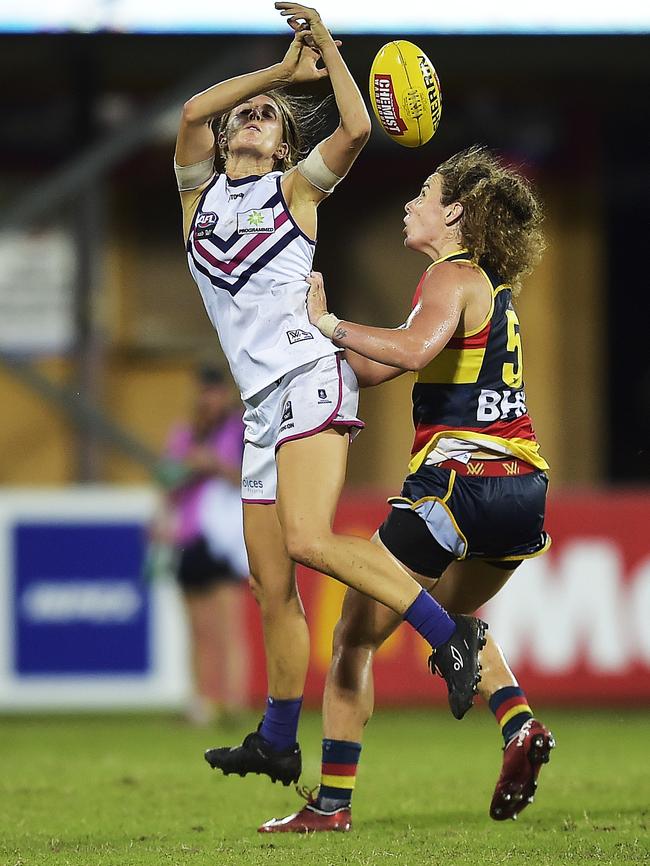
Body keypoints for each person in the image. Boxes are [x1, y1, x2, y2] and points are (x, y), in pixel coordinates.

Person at [175, 2, 486, 791]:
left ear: (284, 143)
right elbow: (188, 112)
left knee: (309, 542)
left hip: (310, 375)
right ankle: (278, 740)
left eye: (268, 116)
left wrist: (322, 47)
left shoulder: (296, 193)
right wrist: (279, 73)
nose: (249, 118)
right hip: (257, 408)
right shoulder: (197, 200)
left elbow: (353, 126)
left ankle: (450, 639)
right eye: (241, 113)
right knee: (269, 584)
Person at [258, 145, 556, 832]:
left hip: (458, 485)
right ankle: (518, 724)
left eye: (424, 192)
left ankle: (331, 806)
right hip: (520, 492)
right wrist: (311, 349)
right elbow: (378, 366)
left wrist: (330, 324)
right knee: (453, 627)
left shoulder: (450, 278)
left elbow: (412, 349)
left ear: (453, 212)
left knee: (356, 637)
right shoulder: (485, 291)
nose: (409, 203)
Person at [151, 364, 250, 725]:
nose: (206, 399)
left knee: (228, 626)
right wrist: (161, 518)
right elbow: (166, 479)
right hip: (188, 536)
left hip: (223, 538)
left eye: (212, 391)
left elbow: (251, 479)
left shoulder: (238, 429)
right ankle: (201, 702)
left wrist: (214, 465)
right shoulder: (185, 433)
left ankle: (234, 702)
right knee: (197, 628)